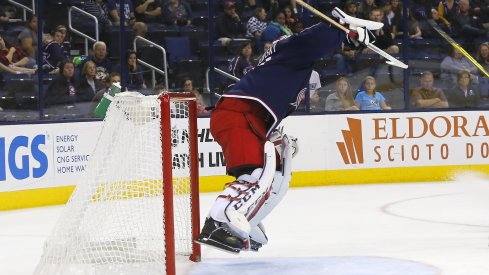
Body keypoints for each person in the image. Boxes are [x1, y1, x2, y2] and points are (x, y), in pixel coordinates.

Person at [195, 7, 383, 253]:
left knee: (273, 175)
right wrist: (343, 31)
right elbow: (309, 41)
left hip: (242, 118)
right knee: (254, 175)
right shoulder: (288, 50)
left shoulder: (284, 67)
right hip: (239, 116)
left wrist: (347, 39)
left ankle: (245, 221)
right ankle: (219, 222)